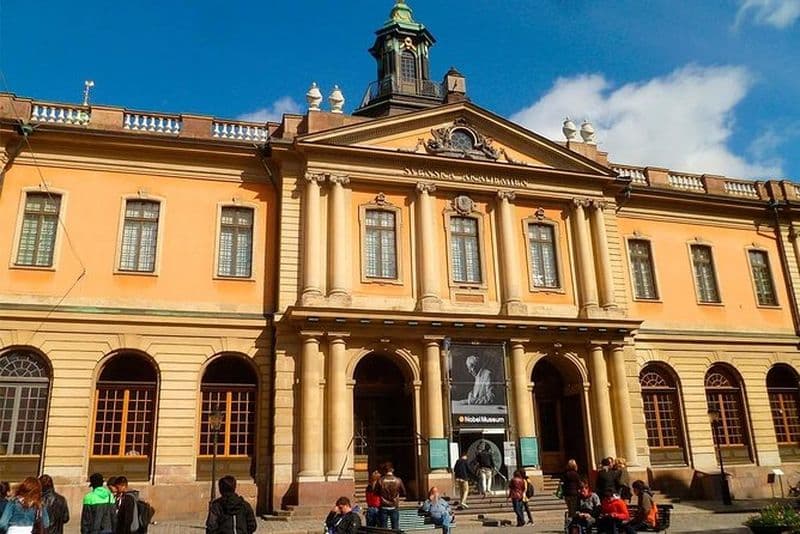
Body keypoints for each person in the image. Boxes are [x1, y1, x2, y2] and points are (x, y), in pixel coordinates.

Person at [376, 463, 405, 530]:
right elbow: (404, 492)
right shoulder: (398, 480)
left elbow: (376, 493)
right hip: (394, 506)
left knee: (383, 529)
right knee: (395, 528)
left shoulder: (380, 480)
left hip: (383, 506)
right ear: (392, 470)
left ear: (384, 471)